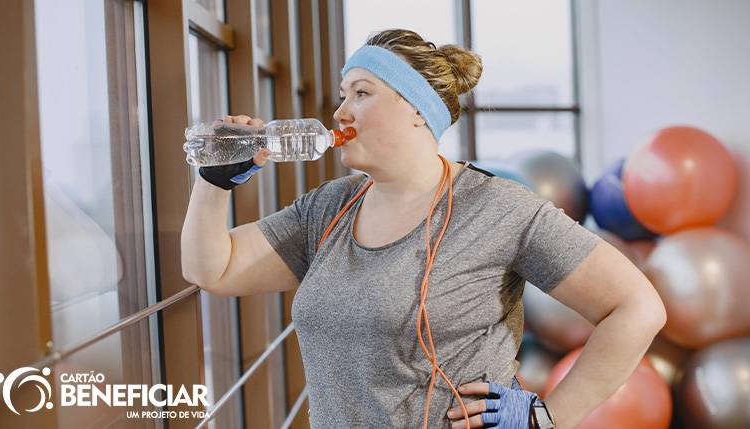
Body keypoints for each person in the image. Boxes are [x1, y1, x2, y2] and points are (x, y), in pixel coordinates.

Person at [182, 29, 667, 429]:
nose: (340, 112)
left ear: (418, 110)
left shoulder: (498, 208)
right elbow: (215, 269)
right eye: (343, 94)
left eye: (362, 93)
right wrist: (213, 183)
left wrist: (549, 417)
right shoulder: (330, 206)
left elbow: (637, 307)